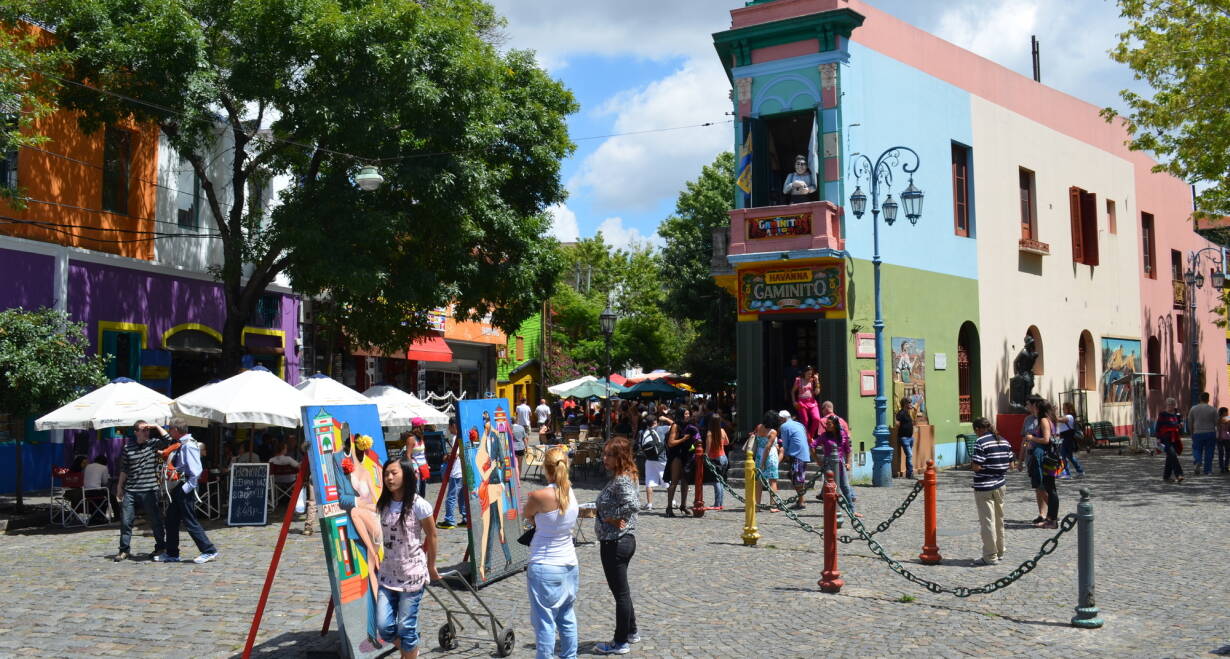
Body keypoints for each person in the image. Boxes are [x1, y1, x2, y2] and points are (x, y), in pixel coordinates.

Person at [375, 456, 441, 659]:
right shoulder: (384, 503)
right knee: (383, 626)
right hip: (388, 574)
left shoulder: (419, 504)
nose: (389, 477)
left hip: (412, 574)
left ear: (406, 474)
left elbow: (432, 535)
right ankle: (411, 651)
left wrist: (431, 566)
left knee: (406, 626)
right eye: (386, 473)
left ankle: (410, 651)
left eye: (394, 473)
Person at [523, 446, 579, 659]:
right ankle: (570, 656)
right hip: (569, 563)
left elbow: (527, 515)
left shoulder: (539, 495)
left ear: (545, 470)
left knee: (544, 622)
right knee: (567, 617)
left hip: (545, 564)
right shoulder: (570, 492)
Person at [594, 437, 640, 655]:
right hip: (623, 540)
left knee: (620, 594)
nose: (604, 459)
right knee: (623, 591)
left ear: (619, 457)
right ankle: (631, 631)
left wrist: (613, 516)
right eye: (604, 454)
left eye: (609, 455)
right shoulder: (627, 475)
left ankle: (620, 642)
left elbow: (633, 505)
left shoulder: (622, 479)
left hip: (616, 541)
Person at [155, 418, 219, 564]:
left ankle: (209, 550)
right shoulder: (181, 444)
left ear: (176, 430)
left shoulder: (188, 445)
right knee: (171, 520)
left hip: (184, 487)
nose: (170, 432)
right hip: (179, 486)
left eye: (170, 429)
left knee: (190, 521)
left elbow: (196, 471)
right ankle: (172, 553)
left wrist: (185, 489)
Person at [115, 421, 170, 561]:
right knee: (126, 521)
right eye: (143, 429)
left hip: (149, 489)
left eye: (148, 429)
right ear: (136, 432)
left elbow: (170, 440)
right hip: (131, 490)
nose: (147, 432)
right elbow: (124, 469)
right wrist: (119, 486)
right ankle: (124, 550)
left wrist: (156, 426)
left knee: (155, 521)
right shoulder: (128, 448)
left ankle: (160, 548)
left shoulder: (153, 444)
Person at [970, 418, 1012, 566]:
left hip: (984, 486)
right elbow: (1011, 464)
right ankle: (1000, 550)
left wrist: (982, 468)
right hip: (1000, 484)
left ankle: (990, 555)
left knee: (987, 521)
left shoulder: (981, 442)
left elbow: (976, 466)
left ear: (978, 429)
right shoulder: (1004, 441)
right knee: (999, 518)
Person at [1021, 399, 1059, 529]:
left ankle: (1052, 519)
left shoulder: (1043, 420)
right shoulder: (1050, 419)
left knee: (1047, 488)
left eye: (1035, 406)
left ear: (1039, 408)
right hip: (1047, 456)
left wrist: (1032, 438)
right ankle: (1050, 519)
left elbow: (1046, 439)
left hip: (1043, 457)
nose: (1033, 408)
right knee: (1048, 488)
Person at [817, 414, 858, 516]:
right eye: (826, 424)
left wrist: (848, 463)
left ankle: (852, 511)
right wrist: (818, 460)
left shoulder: (843, 434)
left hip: (840, 463)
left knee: (845, 487)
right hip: (829, 465)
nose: (827, 426)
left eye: (829, 424)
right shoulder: (824, 436)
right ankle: (830, 511)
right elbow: (812, 445)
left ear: (835, 424)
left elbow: (848, 450)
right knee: (830, 488)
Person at [664, 408, 698, 517]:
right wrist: (684, 439)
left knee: (685, 481)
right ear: (681, 415)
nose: (688, 415)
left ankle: (683, 505)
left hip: (686, 455)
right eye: (686, 413)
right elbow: (671, 442)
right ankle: (669, 507)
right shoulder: (675, 426)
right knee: (674, 481)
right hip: (676, 455)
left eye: (688, 413)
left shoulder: (689, 426)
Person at [778, 410, 811, 510]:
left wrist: (786, 455)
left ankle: (801, 501)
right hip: (804, 453)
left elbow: (785, 444)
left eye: (780, 419)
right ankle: (801, 499)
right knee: (795, 476)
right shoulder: (799, 424)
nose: (779, 421)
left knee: (797, 479)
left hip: (797, 454)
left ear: (783, 419)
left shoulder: (784, 426)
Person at [639, 409, 671, 511]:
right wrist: (665, 418)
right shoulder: (662, 429)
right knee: (667, 481)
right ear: (655, 422)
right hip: (661, 459)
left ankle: (649, 504)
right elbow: (675, 425)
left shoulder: (644, 432)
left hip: (649, 459)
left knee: (649, 482)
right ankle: (672, 502)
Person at [438, 421, 468, 529]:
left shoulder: (456, 437)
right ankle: (465, 518)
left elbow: (455, 455)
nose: (449, 429)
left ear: (453, 425)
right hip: (463, 471)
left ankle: (449, 519)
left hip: (456, 471)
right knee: (461, 497)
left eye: (449, 426)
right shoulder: (465, 435)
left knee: (451, 497)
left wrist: (446, 457)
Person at [752, 412, 782, 512]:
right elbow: (768, 447)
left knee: (759, 481)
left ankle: (757, 505)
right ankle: (773, 506)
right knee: (773, 480)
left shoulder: (759, 427)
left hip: (759, 455)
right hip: (770, 456)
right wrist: (764, 461)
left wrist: (761, 460)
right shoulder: (773, 432)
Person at [1187, 391, 1218, 476]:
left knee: (1196, 449)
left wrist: (1191, 432)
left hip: (1198, 432)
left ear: (1199, 399)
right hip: (1210, 432)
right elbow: (1216, 422)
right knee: (1209, 452)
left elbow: (1190, 421)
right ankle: (1208, 470)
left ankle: (1198, 461)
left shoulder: (1193, 408)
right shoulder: (1213, 409)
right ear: (1208, 399)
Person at [704, 411, 729, 510]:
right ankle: (720, 503)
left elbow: (708, 448)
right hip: (724, 457)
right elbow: (727, 442)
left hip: (715, 458)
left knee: (716, 482)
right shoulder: (722, 431)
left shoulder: (710, 433)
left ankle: (717, 504)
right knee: (721, 481)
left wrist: (705, 456)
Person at [1156, 397, 1184, 483]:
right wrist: (1158, 438)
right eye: (1169, 404)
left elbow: (1180, 424)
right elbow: (1158, 427)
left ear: (1174, 405)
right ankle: (1179, 474)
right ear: (1166, 405)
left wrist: (1181, 425)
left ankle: (1166, 476)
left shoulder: (1177, 414)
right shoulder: (1162, 414)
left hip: (1174, 438)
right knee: (1172, 454)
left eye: (1172, 404)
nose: (1170, 406)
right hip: (1165, 438)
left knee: (1170, 457)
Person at [792, 366, 822, 440]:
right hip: (802, 402)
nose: (809, 375)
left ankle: (810, 436)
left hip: (812, 402)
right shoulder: (798, 380)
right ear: (804, 373)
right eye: (808, 374)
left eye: (811, 374)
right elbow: (793, 391)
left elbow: (817, 393)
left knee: (817, 419)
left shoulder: (812, 381)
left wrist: (817, 380)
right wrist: (794, 402)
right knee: (805, 420)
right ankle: (806, 437)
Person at [1056, 402, 1085, 479]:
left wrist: (1053, 413)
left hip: (1067, 438)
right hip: (1064, 437)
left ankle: (1067, 473)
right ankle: (1080, 471)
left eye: (1064, 408)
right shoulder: (1066, 416)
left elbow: (1059, 420)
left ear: (1069, 409)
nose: (1063, 409)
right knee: (1070, 456)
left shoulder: (1069, 417)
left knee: (1063, 455)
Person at [896, 397, 916, 479]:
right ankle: (910, 473)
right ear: (905, 404)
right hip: (904, 438)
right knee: (910, 455)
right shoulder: (901, 413)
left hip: (910, 438)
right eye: (909, 403)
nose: (911, 404)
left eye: (911, 402)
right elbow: (897, 422)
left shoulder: (908, 413)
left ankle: (908, 473)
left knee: (909, 456)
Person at [1218, 407, 1230, 474]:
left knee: (1226, 453)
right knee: (1222, 453)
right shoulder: (1220, 419)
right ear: (1223, 412)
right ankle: (1223, 467)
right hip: (1222, 438)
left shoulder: (1219, 419)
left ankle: (1224, 467)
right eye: (1226, 411)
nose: (1227, 413)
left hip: (1226, 438)